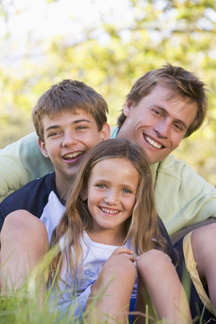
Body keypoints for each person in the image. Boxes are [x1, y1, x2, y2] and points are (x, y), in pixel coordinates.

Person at [48, 138, 191, 324]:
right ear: (84, 189)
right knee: (120, 268)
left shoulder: (146, 245)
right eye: (101, 186)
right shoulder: (71, 242)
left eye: (125, 190)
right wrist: (100, 284)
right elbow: (53, 315)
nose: (112, 199)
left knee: (155, 260)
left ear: (138, 197)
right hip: (87, 317)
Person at [0, 78, 110, 289]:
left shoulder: (128, 199)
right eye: (55, 133)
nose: (68, 141)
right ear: (43, 146)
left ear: (103, 134)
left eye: (80, 127)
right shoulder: (21, 207)